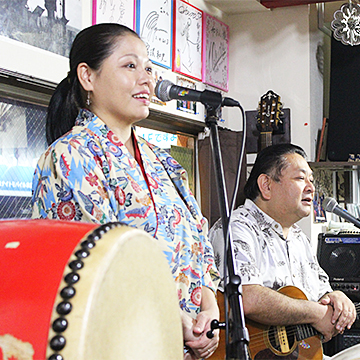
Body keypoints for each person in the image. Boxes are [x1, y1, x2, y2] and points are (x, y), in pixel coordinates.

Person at [31, 23, 220, 359]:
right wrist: (176, 322)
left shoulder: (163, 162)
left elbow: (199, 243)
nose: (146, 79)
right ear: (88, 77)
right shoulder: (70, 156)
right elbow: (102, 265)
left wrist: (209, 312)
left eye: (149, 68)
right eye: (130, 66)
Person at [208, 143, 356, 356]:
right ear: (266, 185)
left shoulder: (299, 239)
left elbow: (322, 293)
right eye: (300, 178)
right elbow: (247, 297)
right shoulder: (236, 228)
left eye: (311, 180)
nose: (310, 187)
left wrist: (336, 297)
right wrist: (316, 313)